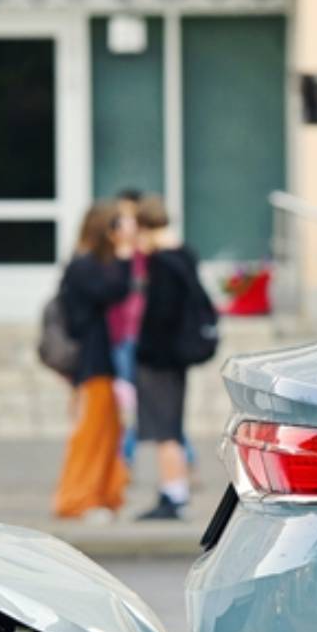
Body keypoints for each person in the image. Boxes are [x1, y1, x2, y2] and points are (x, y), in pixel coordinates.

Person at [50, 202, 134, 521]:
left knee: (108, 431)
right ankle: (76, 500)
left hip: (98, 361)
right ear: (107, 230)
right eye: (121, 225)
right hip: (89, 363)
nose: (128, 231)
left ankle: (102, 495)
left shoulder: (88, 263)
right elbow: (114, 291)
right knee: (91, 434)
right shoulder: (83, 265)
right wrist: (124, 256)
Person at [132, 194, 201, 522]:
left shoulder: (161, 263)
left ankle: (174, 494)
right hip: (180, 357)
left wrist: (144, 351)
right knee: (172, 425)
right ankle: (174, 490)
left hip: (160, 359)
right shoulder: (185, 254)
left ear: (144, 226)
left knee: (165, 431)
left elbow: (160, 316)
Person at [105, 188, 148, 465]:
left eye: (131, 216)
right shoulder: (113, 255)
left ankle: (186, 458)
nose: (126, 223)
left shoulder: (145, 255)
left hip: (143, 335)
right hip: (120, 335)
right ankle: (124, 460)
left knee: (150, 400)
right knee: (126, 402)